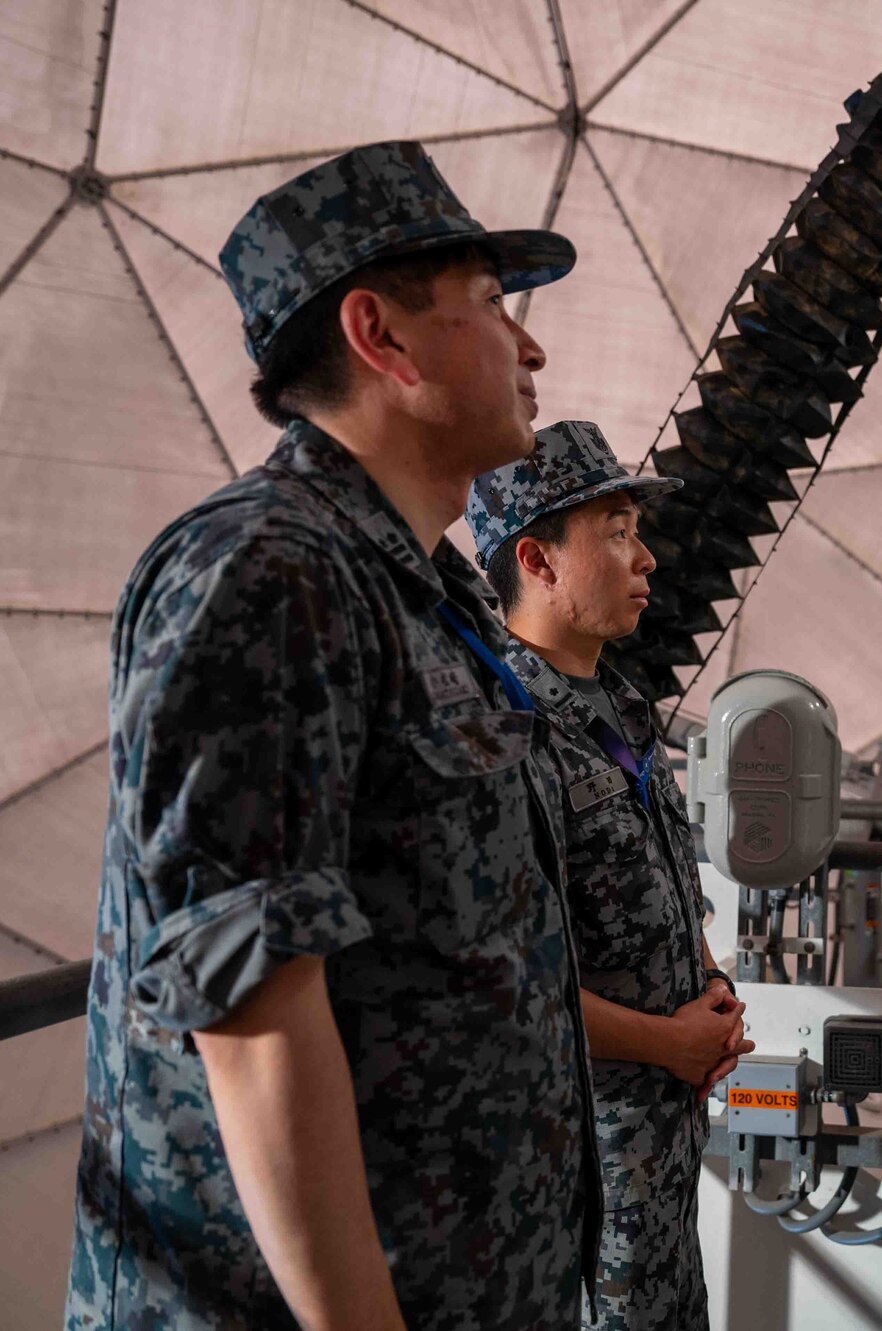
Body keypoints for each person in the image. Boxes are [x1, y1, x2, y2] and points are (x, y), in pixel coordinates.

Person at [66, 142, 599, 1331]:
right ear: (385, 338)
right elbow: (250, 1011)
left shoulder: (422, 589)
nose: (531, 347)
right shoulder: (268, 570)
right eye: (491, 309)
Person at [467, 420, 751, 1331]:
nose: (648, 559)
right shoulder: (502, 728)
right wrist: (668, 1043)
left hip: (659, 1151)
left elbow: (667, 881)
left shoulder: (621, 706)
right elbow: (505, 978)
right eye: (618, 530)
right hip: (576, 1168)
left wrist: (707, 986)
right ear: (538, 561)